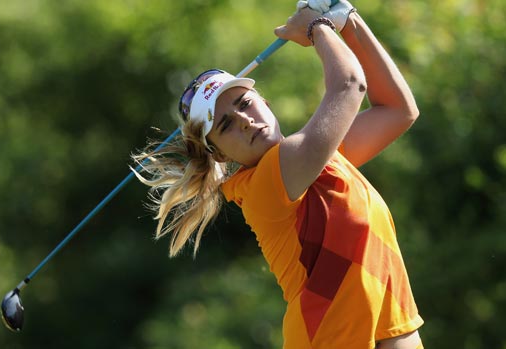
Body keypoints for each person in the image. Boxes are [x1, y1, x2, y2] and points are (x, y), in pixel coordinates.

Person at [133, 1, 424, 348]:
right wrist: (317, 28)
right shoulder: (266, 184)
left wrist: (348, 20)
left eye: (244, 103)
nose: (244, 120)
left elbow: (398, 109)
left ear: (264, 102)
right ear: (221, 153)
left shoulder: (324, 157)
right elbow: (348, 85)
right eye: (225, 125)